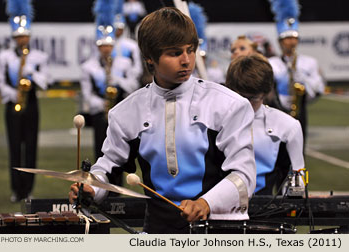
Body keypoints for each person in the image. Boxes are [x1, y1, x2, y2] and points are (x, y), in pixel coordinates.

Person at [70, 7, 256, 234]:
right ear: (150, 57)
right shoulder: (126, 112)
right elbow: (107, 167)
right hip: (158, 231)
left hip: (220, 229)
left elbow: (244, 176)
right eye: (175, 53)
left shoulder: (229, 105)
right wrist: (92, 187)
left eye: (190, 50)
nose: (187, 60)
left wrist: (206, 203)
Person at [226, 54, 305, 195]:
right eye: (241, 97)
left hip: (263, 209)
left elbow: (296, 181)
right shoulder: (213, 121)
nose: (246, 104)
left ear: (266, 93)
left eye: (253, 98)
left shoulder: (287, 127)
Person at [80, 0, 138, 190]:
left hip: (119, 113)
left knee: (121, 153)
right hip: (100, 113)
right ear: (97, 47)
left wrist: (116, 79)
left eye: (109, 46)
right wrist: (102, 105)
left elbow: (131, 85)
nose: (106, 49)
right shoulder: (88, 66)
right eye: (102, 46)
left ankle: (117, 191)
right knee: (101, 152)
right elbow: (87, 95)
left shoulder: (123, 64)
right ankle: (101, 190)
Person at [0, 0, 50, 202]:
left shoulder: (38, 57)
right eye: (19, 36)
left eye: (25, 35)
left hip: (31, 104)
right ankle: (16, 190)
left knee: (30, 148)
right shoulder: (4, 57)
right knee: (13, 147)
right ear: (14, 37)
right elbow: (0, 82)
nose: (22, 39)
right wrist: (12, 95)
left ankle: (28, 190)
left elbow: (46, 83)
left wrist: (31, 74)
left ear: (29, 36)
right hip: (13, 104)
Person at [268, 0, 326, 142]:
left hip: (300, 110)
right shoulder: (272, 63)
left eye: (294, 38)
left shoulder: (309, 62)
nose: (291, 42)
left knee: (300, 146)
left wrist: (303, 80)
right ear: (280, 42)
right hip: (277, 109)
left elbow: (319, 88)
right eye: (287, 39)